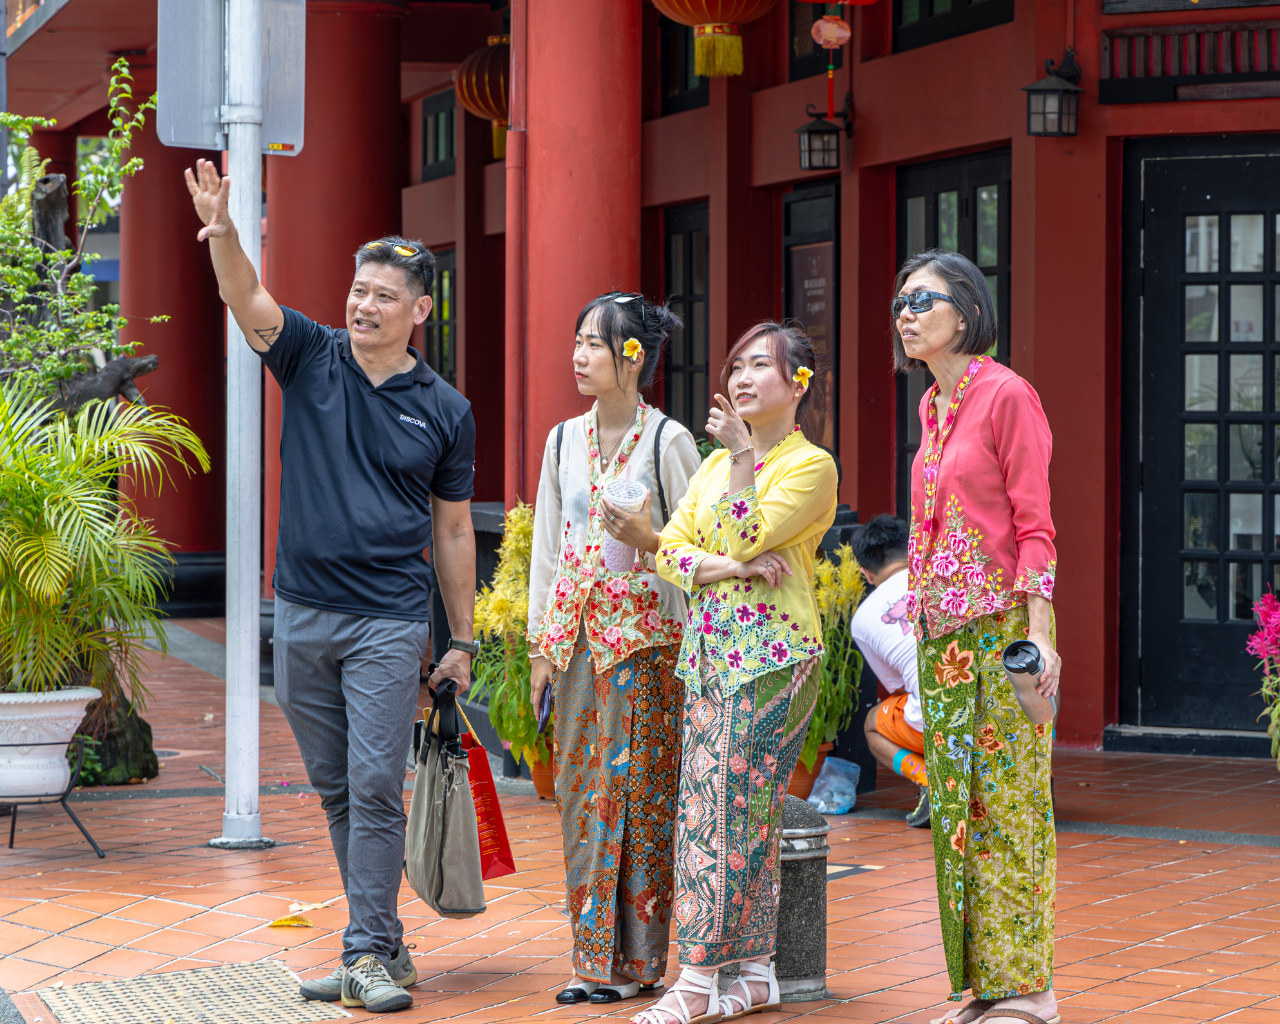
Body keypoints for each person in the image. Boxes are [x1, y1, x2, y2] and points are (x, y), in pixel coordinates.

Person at [186, 159, 478, 1014]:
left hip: (388, 619)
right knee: (340, 789)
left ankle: (365, 952)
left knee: (377, 783)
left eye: (385, 296)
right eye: (358, 290)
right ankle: (380, 947)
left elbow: (454, 527)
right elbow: (248, 299)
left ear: (420, 310)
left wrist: (459, 639)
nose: (364, 306)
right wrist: (225, 234)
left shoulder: (445, 408)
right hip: (302, 613)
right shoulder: (311, 356)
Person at [639, 323, 837, 1024]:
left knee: (717, 818)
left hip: (774, 660)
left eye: (762, 365)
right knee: (727, 814)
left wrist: (746, 462)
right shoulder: (715, 464)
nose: (743, 377)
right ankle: (754, 974)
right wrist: (729, 568)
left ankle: (695, 983)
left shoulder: (811, 467)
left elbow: (750, 532)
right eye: (738, 365)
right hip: (711, 658)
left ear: (800, 381)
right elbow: (669, 550)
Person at [893, 249, 1061, 1024]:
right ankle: (986, 987)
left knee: (1013, 805)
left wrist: (1040, 634)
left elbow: (1035, 528)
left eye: (921, 300)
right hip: (943, 638)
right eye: (899, 302)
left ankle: (1033, 989)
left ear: (965, 309)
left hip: (1001, 632)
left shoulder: (1007, 396)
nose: (905, 314)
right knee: (959, 811)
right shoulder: (932, 407)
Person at [527, 292, 701, 1006]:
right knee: (581, 800)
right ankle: (590, 961)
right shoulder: (563, 440)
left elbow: (696, 548)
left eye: (594, 344)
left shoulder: (670, 442)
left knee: (643, 800)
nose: (578, 355)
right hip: (575, 644)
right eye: (577, 341)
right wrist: (541, 644)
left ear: (634, 358)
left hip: (650, 647)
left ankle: (642, 963)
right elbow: (547, 545)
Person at [851, 514, 930, 828]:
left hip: (934, 724)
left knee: (873, 723)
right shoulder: (946, 578)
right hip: (998, 715)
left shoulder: (863, 618)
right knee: (1043, 683)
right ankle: (1037, 773)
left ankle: (931, 783)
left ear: (865, 573)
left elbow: (898, 688)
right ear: (913, 549)